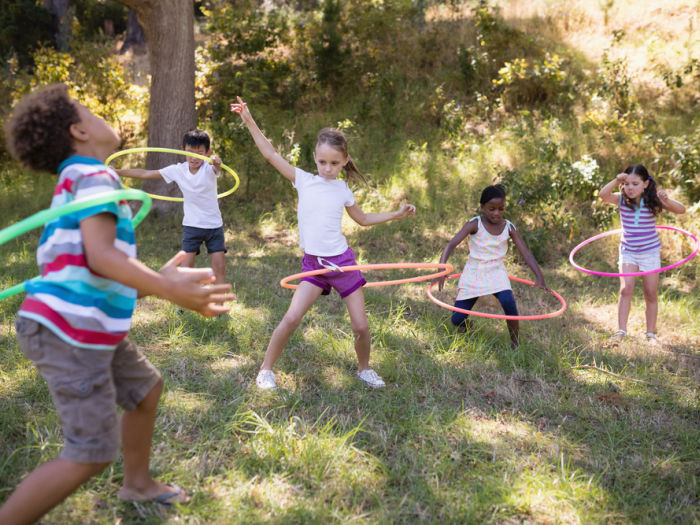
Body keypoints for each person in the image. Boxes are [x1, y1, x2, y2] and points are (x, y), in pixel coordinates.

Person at [0, 84, 234, 525]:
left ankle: (138, 483)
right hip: (67, 330)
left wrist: (159, 280)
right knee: (90, 453)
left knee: (145, 391)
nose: (102, 114)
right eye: (90, 109)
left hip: (82, 323)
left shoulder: (79, 178)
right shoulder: (93, 175)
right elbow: (101, 257)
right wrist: (170, 291)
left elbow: (96, 274)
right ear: (79, 131)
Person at [231, 97, 415, 390]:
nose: (327, 168)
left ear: (344, 162)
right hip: (314, 265)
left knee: (361, 326)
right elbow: (270, 155)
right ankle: (265, 370)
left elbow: (363, 219)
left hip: (342, 263)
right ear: (314, 158)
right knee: (291, 318)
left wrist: (396, 214)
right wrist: (249, 120)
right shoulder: (303, 180)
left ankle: (364, 369)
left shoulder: (343, 189)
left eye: (334, 163)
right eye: (322, 162)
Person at [435, 184, 547, 347]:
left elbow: (526, 253)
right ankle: (467, 325)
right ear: (483, 207)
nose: (497, 213)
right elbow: (451, 245)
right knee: (457, 319)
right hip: (474, 273)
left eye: (501, 209)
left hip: (496, 272)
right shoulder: (474, 224)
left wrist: (539, 276)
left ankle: (515, 344)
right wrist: (441, 268)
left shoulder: (509, 227)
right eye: (491, 208)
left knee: (509, 302)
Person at [116, 129, 228, 286]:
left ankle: (221, 305)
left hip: (214, 225)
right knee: (186, 267)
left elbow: (217, 166)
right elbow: (146, 174)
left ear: (207, 152)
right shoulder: (178, 170)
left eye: (200, 152)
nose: (195, 157)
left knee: (219, 267)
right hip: (192, 225)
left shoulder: (209, 169)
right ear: (182, 150)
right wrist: (118, 172)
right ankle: (183, 303)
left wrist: (217, 161)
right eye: (190, 152)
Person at [598, 164, 686, 346]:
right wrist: (616, 180)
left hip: (650, 253)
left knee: (650, 293)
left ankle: (650, 334)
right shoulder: (622, 200)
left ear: (646, 184)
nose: (630, 188)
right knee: (625, 289)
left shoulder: (653, 201)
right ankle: (621, 331)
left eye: (635, 184)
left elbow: (681, 210)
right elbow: (603, 195)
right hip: (628, 251)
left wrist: (667, 200)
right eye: (627, 184)